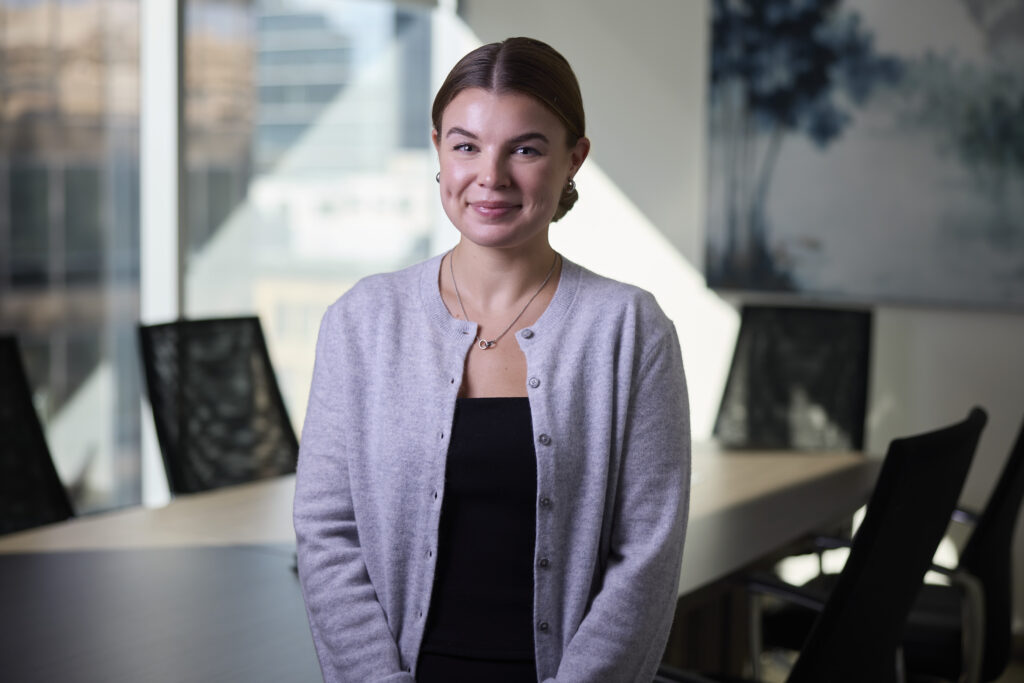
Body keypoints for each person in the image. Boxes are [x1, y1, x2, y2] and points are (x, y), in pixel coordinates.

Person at [294, 36, 690, 683]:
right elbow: (325, 529)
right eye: (466, 145)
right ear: (438, 152)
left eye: (526, 148)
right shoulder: (360, 321)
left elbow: (646, 553)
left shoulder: (630, 329)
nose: (491, 176)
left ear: (573, 160)